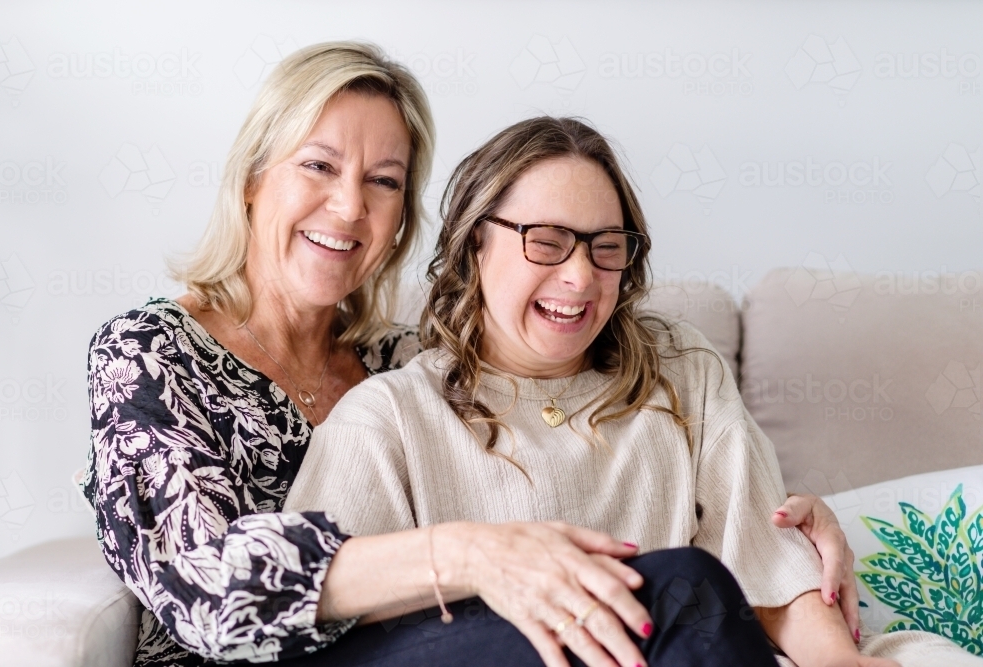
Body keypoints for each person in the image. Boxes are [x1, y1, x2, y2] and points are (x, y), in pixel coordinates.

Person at [82, 42, 861, 667]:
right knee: (678, 590)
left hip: (449, 641)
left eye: (384, 182)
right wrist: (471, 551)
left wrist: (788, 532)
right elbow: (208, 591)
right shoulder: (150, 354)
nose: (350, 205)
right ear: (254, 178)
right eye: (318, 165)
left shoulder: (404, 357)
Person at [285, 116, 983, 667]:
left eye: (606, 246)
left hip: (682, 652)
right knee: (685, 585)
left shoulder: (682, 371)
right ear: (475, 245)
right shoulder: (390, 413)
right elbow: (312, 610)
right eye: (547, 240)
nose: (581, 277)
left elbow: (765, 559)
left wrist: (836, 660)